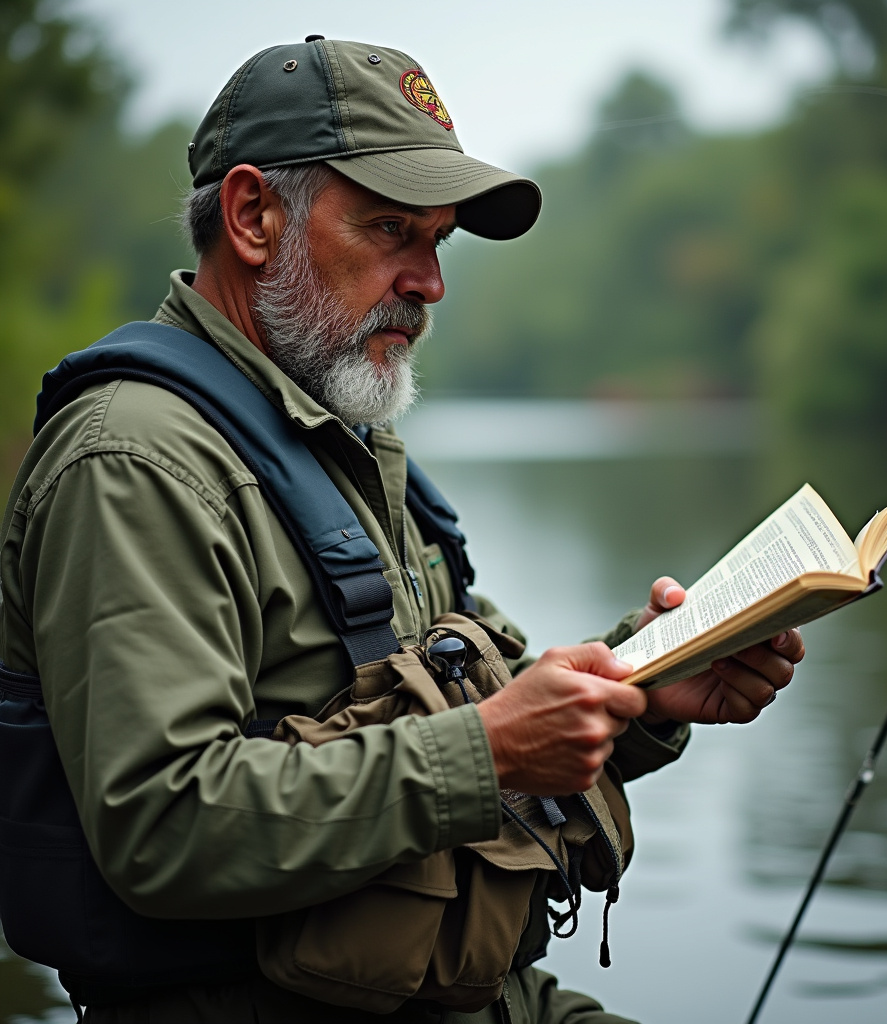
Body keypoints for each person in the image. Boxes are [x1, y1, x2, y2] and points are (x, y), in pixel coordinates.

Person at [0, 37, 804, 1023]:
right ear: (252, 216)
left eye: (438, 242)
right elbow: (163, 823)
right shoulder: (134, 460)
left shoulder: (342, 440)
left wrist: (650, 687)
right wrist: (490, 755)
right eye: (391, 231)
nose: (429, 282)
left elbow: (486, 713)